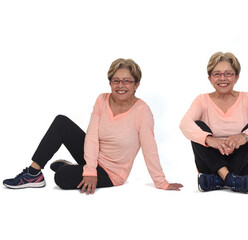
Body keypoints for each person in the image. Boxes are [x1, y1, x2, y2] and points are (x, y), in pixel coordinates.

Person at [3, 58, 183, 194]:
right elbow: (91, 136)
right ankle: (34, 174)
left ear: (137, 84)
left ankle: (68, 167)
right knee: (61, 122)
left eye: (127, 81)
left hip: (111, 172)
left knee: (61, 178)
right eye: (116, 80)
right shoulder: (102, 99)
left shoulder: (142, 111)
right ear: (110, 82)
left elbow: (149, 148)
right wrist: (89, 169)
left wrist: (162, 183)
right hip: (93, 157)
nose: (121, 85)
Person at [180, 52, 248, 194]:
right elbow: (184, 124)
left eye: (228, 73)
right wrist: (209, 140)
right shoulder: (201, 100)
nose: (222, 78)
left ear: (236, 77)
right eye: (217, 74)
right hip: (210, 163)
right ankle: (230, 179)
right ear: (210, 78)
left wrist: (244, 137)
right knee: (197, 127)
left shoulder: (247, 98)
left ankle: (218, 180)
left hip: (244, 164)